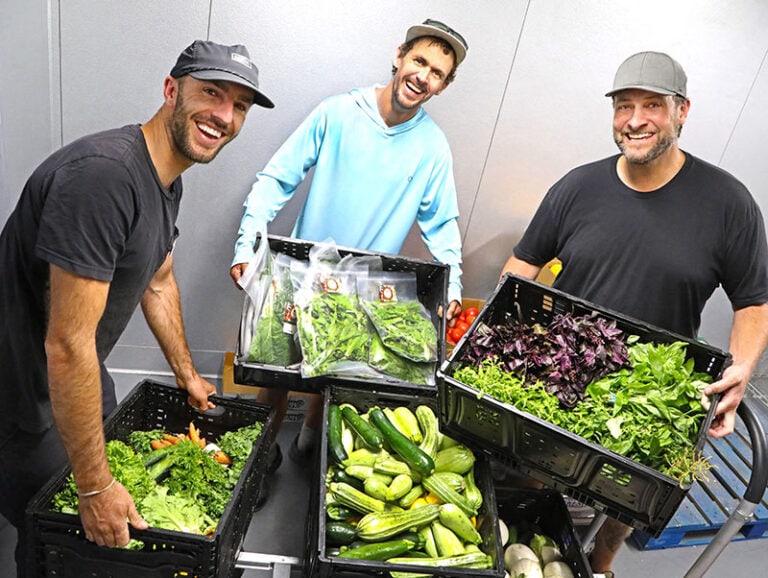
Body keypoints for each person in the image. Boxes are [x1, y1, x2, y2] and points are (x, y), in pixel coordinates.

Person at [0, 40, 273, 576]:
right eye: (212, 93)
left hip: (74, 375)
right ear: (172, 91)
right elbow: (66, 343)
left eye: (239, 105)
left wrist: (188, 375)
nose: (224, 115)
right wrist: (96, 486)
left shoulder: (164, 178)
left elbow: (159, 278)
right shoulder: (104, 178)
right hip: (18, 400)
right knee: (56, 542)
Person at [501, 50, 768, 576]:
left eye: (652, 105)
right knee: (531, 482)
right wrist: (500, 332)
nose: (636, 120)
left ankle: (600, 566)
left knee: (619, 506)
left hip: (653, 391)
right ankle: (521, 550)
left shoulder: (728, 204)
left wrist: (742, 368)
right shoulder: (577, 187)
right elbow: (523, 265)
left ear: (682, 111)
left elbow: (754, 303)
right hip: (563, 375)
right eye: (624, 106)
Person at [230, 19, 468, 480]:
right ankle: (256, 463)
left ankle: (307, 449)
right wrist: (247, 244)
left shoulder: (433, 148)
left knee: (336, 382)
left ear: (443, 85)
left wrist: (452, 285)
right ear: (400, 56)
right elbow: (275, 179)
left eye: (437, 72)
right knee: (275, 376)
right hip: (298, 278)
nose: (423, 76)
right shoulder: (338, 112)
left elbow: (442, 227)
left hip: (366, 291)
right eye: (420, 61)